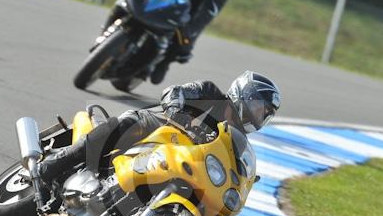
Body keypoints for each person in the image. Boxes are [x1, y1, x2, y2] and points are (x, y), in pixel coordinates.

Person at [38, 71, 281, 182]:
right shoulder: (209, 93)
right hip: (159, 129)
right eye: (260, 109)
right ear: (245, 96)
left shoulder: (236, 139)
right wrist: (177, 109)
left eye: (265, 116)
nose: (259, 118)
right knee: (129, 122)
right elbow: (174, 92)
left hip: (176, 160)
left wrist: (242, 177)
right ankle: (52, 165)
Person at [100, 0, 235, 84]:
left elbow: (212, 7)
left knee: (184, 42)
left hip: (186, 13)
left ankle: (164, 62)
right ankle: (105, 34)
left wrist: (192, 29)